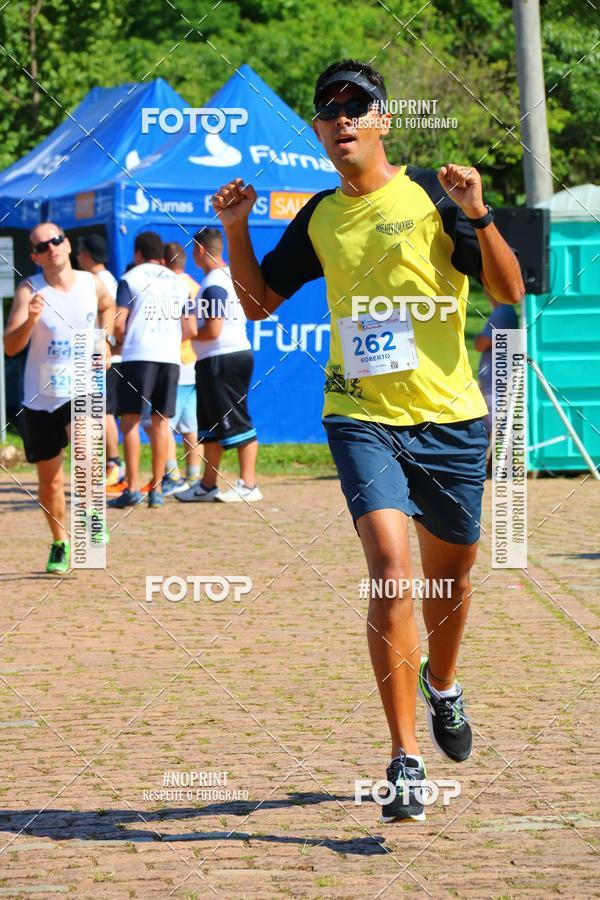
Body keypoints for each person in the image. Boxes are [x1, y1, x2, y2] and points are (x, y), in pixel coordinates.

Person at [211, 60, 524, 820]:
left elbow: (510, 292)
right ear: (319, 131)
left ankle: (443, 685)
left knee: (451, 583)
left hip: (449, 418)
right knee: (389, 572)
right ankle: (405, 761)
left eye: (358, 107)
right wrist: (235, 229)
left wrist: (479, 214)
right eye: (329, 109)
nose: (343, 118)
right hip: (360, 417)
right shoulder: (319, 216)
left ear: (383, 121)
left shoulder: (435, 199)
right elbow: (257, 303)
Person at [3, 222, 115, 574]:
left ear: (67, 245)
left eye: (56, 240)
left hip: (82, 386)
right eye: (42, 246)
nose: (51, 248)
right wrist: (31, 320)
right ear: (35, 256)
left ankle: (91, 515)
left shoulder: (91, 283)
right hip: (40, 397)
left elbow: (108, 306)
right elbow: (10, 347)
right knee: (50, 481)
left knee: (87, 453)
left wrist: (105, 340)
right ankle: (60, 542)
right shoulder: (29, 290)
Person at [176, 228, 262, 503]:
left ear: (200, 250)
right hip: (216, 360)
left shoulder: (214, 282)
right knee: (210, 428)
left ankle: (249, 485)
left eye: (193, 250)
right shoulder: (222, 278)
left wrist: (186, 334)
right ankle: (207, 485)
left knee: (237, 421)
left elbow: (213, 330)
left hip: (224, 358)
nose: (192, 255)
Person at [108, 231, 188, 509]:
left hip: (138, 355)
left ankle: (132, 487)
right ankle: (157, 490)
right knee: (161, 423)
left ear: (138, 253)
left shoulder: (130, 278)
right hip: (170, 357)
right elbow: (188, 327)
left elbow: (119, 322)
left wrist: (117, 342)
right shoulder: (178, 282)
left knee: (130, 422)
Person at [76, 234, 123, 487]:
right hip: (103, 354)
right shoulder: (103, 279)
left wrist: (107, 345)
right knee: (100, 411)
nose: (77, 256)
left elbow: (114, 318)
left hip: (104, 356)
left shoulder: (100, 281)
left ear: (88, 254)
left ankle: (114, 465)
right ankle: (110, 465)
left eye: (79, 251)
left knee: (103, 411)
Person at [162, 241, 201, 494]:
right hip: (194, 360)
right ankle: (194, 477)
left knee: (163, 424)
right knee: (191, 426)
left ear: (163, 262)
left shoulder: (166, 287)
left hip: (172, 361)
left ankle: (172, 476)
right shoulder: (197, 286)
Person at [475, 295, 519, 436]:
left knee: (497, 428)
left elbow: (481, 344)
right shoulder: (504, 311)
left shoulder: (503, 312)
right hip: (494, 379)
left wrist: (479, 339)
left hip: (496, 381)